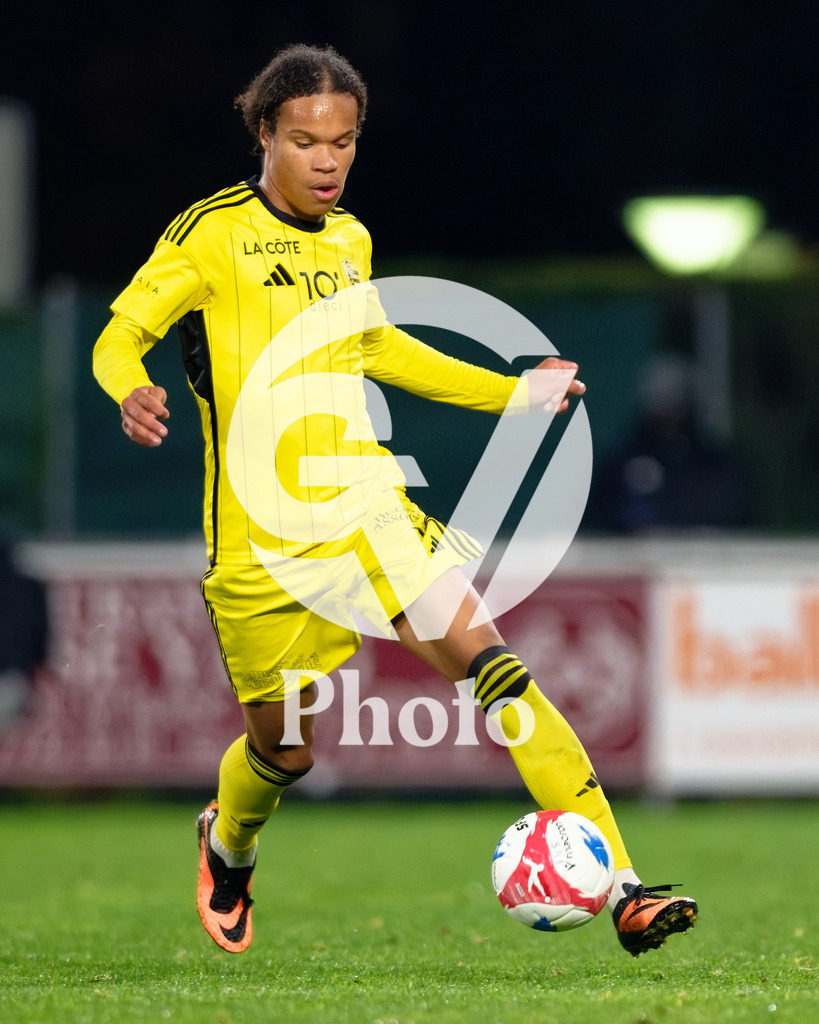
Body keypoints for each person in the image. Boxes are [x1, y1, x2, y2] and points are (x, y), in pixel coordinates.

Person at [93, 44, 697, 957]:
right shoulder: (210, 232)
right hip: (258, 544)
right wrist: (127, 387)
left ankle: (619, 888)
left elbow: (381, 349)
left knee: (495, 668)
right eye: (305, 141)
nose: (327, 161)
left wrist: (509, 391)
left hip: (368, 509)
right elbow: (119, 334)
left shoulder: (351, 242)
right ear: (265, 134)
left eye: (343, 142)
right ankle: (230, 844)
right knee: (285, 750)